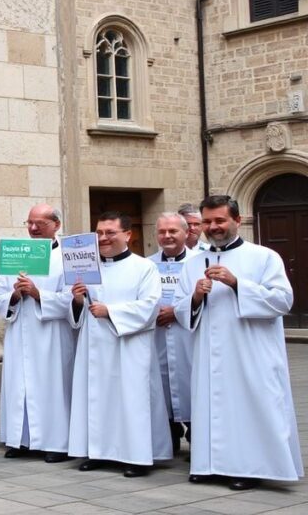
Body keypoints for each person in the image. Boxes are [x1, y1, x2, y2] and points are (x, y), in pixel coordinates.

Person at [174, 195, 303, 490]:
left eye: (219, 220)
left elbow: (283, 300)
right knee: (210, 403)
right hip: (208, 352)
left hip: (250, 350)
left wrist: (237, 284)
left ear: (236, 220)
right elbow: (181, 310)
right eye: (207, 221)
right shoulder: (193, 264)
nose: (213, 227)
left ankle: (247, 466)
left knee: (247, 405)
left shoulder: (264, 257)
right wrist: (195, 296)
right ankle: (208, 464)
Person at [68, 211, 172, 477]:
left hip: (129, 346)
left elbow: (150, 306)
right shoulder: (87, 267)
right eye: (99, 233)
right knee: (97, 397)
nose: (103, 238)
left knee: (130, 399)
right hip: (94, 347)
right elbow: (79, 310)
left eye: (110, 233)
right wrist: (77, 301)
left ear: (128, 234)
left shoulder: (144, 267)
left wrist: (111, 311)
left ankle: (135, 456)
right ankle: (98, 452)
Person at [0, 204, 74, 463]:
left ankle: (55, 442)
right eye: (29, 223)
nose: (34, 228)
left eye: (40, 223)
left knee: (51, 386)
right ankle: (20, 439)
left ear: (57, 225)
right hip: (19, 333)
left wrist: (40, 295)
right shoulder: (13, 254)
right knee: (19, 386)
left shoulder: (68, 257)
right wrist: (14, 295)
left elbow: (74, 297)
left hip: (51, 335)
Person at [149, 212, 194, 455]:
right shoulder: (147, 264)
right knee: (161, 385)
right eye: (162, 232)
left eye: (173, 231)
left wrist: (176, 312)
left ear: (186, 233)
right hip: (157, 336)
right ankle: (169, 439)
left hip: (187, 337)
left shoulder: (198, 262)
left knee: (191, 386)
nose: (167, 236)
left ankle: (197, 437)